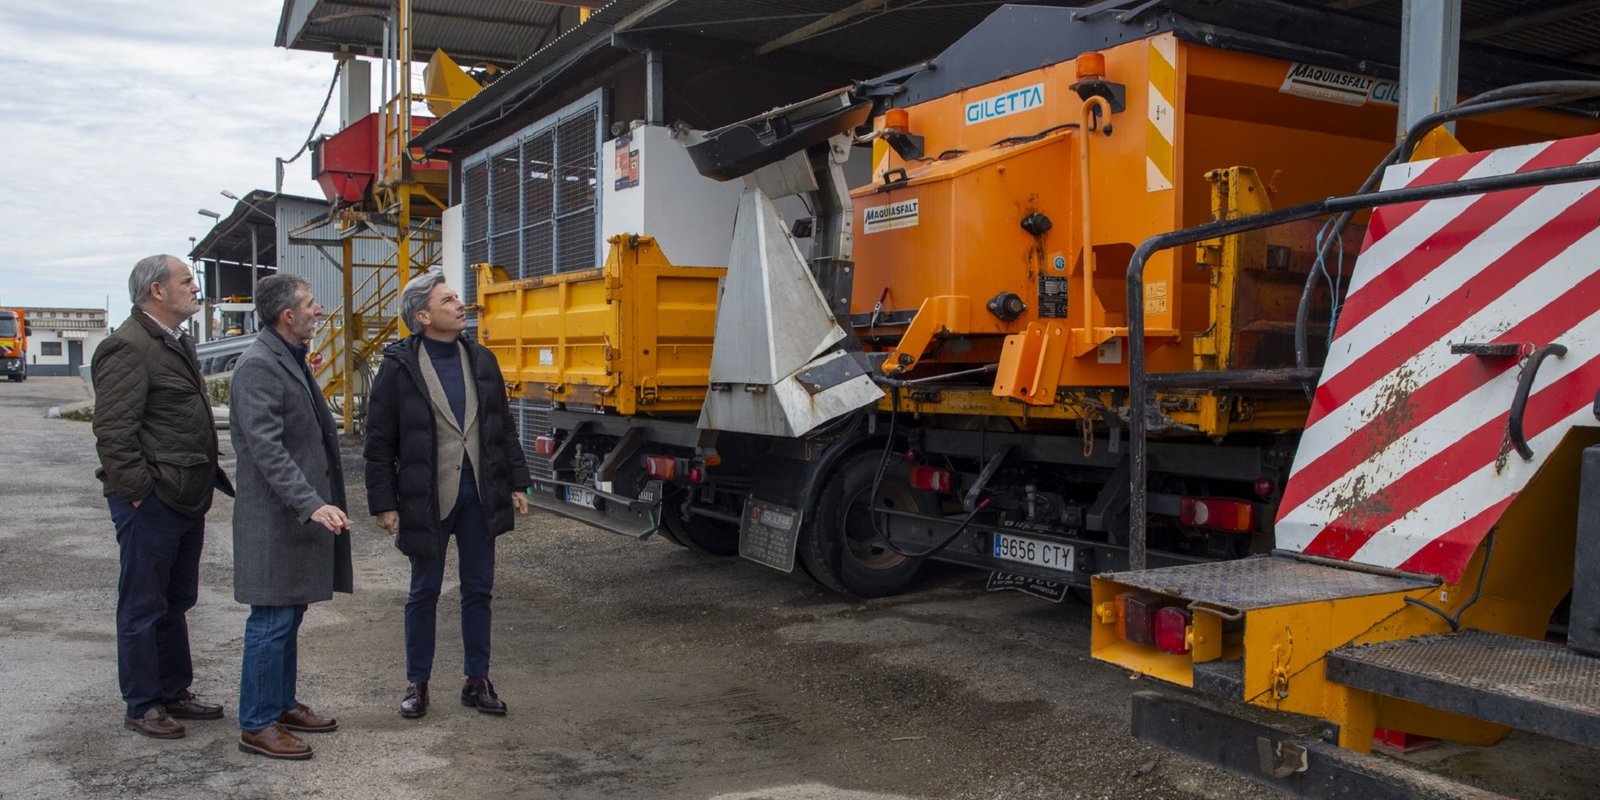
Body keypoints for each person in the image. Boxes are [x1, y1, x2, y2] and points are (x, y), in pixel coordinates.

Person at [364, 270, 531, 719]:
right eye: (449, 300)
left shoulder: (482, 360)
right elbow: (378, 442)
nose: (461, 305)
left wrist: (517, 482)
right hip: (426, 498)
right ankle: (417, 683)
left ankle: (477, 680)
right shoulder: (398, 367)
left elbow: (502, 428)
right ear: (423, 316)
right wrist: (383, 503)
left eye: (458, 297)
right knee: (424, 592)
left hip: (479, 494)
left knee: (479, 589)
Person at [92, 254, 233, 739]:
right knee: (143, 605)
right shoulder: (127, 347)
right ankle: (143, 703)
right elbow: (113, 431)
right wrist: (137, 493)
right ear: (157, 291)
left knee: (176, 599)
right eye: (186, 281)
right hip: (153, 500)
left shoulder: (175, 342)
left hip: (183, 495)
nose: (195, 289)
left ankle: (172, 690)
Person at [228, 274, 354, 760]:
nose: (318, 311)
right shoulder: (260, 365)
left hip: (290, 518)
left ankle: (279, 704)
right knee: (272, 618)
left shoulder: (288, 358)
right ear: (287, 315)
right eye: (311, 303)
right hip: (276, 517)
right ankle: (256, 723)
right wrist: (311, 503)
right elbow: (266, 449)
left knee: (289, 613)